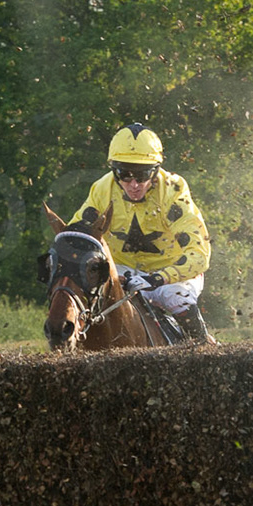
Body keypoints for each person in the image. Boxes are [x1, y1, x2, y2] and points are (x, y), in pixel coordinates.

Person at [69, 123, 215, 344]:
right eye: (124, 174)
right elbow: (77, 237)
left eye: (142, 174)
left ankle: (205, 350)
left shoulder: (173, 190)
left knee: (177, 298)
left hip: (170, 273)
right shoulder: (102, 189)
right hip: (123, 270)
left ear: (155, 171)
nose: (134, 184)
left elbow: (199, 255)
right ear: (114, 171)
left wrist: (156, 279)